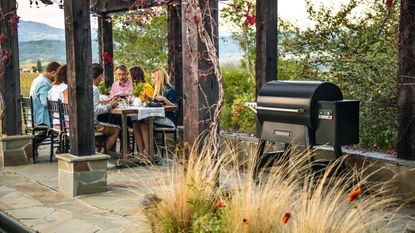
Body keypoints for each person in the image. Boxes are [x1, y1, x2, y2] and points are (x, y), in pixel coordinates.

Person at [92, 63, 120, 153]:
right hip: (92, 126)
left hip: (78, 123)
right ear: (100, 76)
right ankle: (102, 155)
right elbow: (95, 110)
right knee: (116, 129)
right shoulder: (94, 89)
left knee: (103, 124)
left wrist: (105, 103)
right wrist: (110, 106)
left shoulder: (84, 86)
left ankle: (97, 153)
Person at [130, 66, 154, 156]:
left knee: (142, 123)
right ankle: (141, 152)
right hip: (138, 114)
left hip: (148, 115)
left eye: (130, 76)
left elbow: (151, 102)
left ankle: (147, 151)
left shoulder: (146, 86)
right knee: (135, 125)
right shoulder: (136, 87)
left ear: (135, 76)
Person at [29, 61, 61, 127]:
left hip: (34, 117)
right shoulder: (44, 83)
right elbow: (45, 103)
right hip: (42, 120)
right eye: (58, 75)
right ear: (53, 73)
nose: (58, 78)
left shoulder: (37, 79)